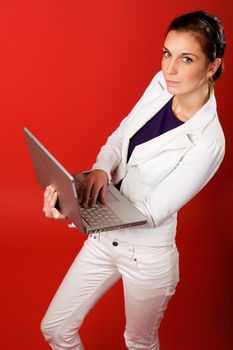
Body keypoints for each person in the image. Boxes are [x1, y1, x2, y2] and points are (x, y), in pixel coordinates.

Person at [41, 10, 226, 350]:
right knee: (55, 327)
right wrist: (98, 169)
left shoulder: (209, 142)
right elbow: (123, 133)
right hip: (105, 239)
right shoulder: (161, 84)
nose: (169, 69)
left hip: (148, 255)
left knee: (138, 342)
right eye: (167, 53)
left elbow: (151, 211)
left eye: (186, 59)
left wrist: (73, 206)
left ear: (212, 67)